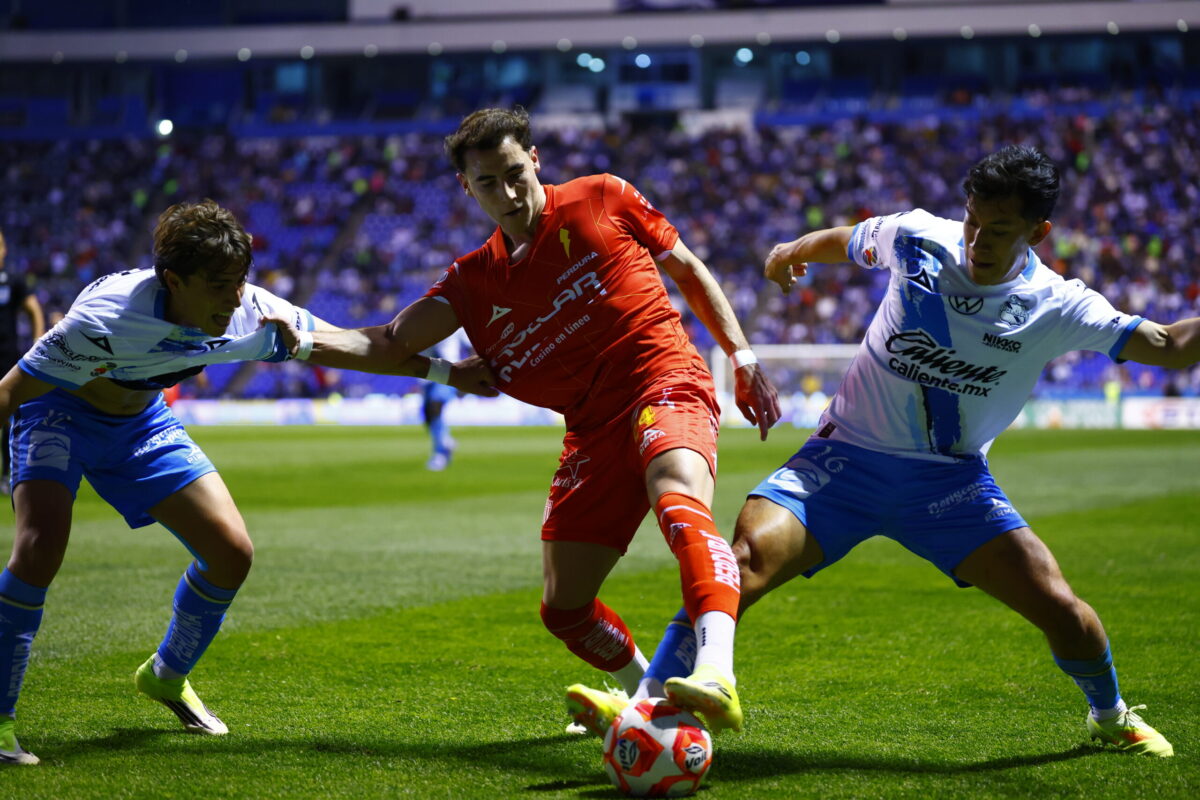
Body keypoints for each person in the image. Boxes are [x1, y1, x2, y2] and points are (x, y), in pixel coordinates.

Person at [623, 145, 1186, 755]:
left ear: (1038, 231)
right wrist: (791, 252)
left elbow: (1169, 346)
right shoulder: (919, 237)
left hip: (949, 484)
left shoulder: (1060, 305)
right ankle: (645, 703)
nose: (977, 240)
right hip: (842, 464)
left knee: (1060, 608)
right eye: (973, 221)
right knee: (739, 561)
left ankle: (1111, 716)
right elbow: (847, 239)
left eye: (999, 230)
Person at [266, 107, 781, 736]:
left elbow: (688, 270)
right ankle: (641, 699)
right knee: (565, 608)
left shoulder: (603, 197)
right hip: (590, 431)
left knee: (676, 492)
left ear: (535, 160)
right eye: (489, 183)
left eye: (516, 174)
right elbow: (391, 341)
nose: (509, 194)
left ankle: (715, 672)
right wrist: (301, 342)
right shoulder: (473, 282)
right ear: (466, 187)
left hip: (663, 380)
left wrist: (743, 355)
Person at [0, 200, 489, 766]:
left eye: (240, 283)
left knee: (231, 554)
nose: (234, 299)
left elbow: (368, 345)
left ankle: (165, 676)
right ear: (173, 280)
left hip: (139, 420)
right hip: (60, 411)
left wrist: (452, 374)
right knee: (38, 548)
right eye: (219, 286)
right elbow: (11, 391)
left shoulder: (250, 307)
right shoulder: (105, 321)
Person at [0, 230, 46, 495]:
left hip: (6, 356)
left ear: (5, 250)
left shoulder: (14, 279)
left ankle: (7, 474)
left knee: (9, 417)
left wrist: (38, 341)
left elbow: (33, 309)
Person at [421, 327, 472, 471]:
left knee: (434, 405)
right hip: (426, 375)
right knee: (428, 415)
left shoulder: (453, 322)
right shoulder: (419, 321)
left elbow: (470, 347)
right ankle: (445, 440)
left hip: (449, 372)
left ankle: (440, 453)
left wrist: (470, 376)